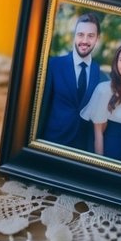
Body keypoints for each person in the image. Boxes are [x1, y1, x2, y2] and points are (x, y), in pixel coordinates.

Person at [38, 12, 107, 151]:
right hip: (52, 142)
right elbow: (42, 107)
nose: (85, 40)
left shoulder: (99, 74)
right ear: (74, 35)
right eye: (80, 34)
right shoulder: (53, 65)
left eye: (91, 36)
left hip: (81, 149)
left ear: (97, 39)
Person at [80, 40, 121, 163]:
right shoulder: (104, 90)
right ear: (116, 64)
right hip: (107, 157)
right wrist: (100, 165)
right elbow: (98, 134)